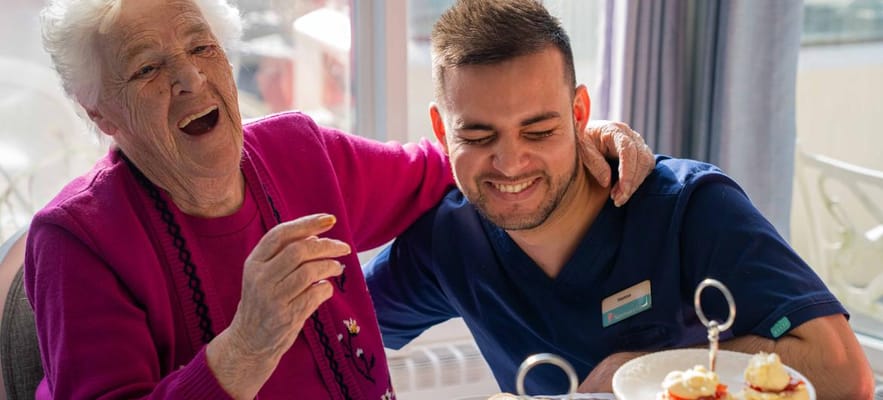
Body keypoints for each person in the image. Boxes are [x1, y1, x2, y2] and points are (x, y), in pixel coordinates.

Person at [24, 0, 654, 398]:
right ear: (101, 111)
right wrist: (247, 345)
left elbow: (459, 164)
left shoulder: (297, 151)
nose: (189, 78)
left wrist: (572, 142)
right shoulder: (78, 241)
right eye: (147, 69)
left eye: (200, 47)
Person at [363, 1, 876, 399]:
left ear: (579, 112)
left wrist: (636, 373)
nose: (510, 163)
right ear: (439, 129)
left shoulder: (689, 209)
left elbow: (844, 375)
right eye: (477, 138)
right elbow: (333, 327)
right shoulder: (449, 240)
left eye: (540, 130)